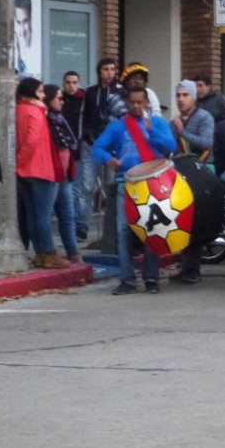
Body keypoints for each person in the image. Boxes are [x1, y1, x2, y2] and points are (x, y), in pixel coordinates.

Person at [93, 86, 178, 293]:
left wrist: (151, 131)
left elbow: (173, 146)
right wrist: (107, 158)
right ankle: (127, 279)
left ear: (147, 103)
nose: (136, 106)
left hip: (152, 183)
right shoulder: (117, 126)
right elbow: (97, 147)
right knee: (123, 232)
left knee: (151, 230)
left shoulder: (157, 123)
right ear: (127, 103)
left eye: (140, 102)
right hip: (126, 183)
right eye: (132, 102)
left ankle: (151, 279)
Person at [16, 78, 67, 269]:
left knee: (32, 213)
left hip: (24, 172)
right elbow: (32, 140)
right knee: (43, 215)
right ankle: (49, 253)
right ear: (31, 93)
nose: (44, 96)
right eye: (40, 92)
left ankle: (39, 254)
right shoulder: (36, 111)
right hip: (39, 168)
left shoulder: (18, 109)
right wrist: (20, 161)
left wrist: (18, 164)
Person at [168, 80, 216, 284]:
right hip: (181, 174)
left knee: (196, 221)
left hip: (202, 172)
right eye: (178, 95)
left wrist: (183, 133)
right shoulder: (175, 121)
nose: (181, 99)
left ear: (194, 97)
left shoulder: (204, 117)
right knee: (182, 220)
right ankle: (185, 266)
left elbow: (208, 144)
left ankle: (193, 269)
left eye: (185, 95)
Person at [78, 58, 127, 242]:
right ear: (99, 71)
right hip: (91, 144)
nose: (109, 72)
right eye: (105, 69)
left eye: (112, 69)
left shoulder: (121, 92)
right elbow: (83, 116)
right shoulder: (90, 92)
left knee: (111, 187)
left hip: (112, 150)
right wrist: (82, 138)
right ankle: (82, 226)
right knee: (87, 187)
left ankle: (111, 227)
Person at [44, 84, 82, 265]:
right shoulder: (45, 119)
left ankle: (73, 251)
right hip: (51, 174)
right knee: (46, 215)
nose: (62, 102)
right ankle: (46, 252)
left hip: (64, 175)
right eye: (58, 98)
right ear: (49, 99)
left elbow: (71, 142)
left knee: (68, 214)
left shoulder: (60, 118)